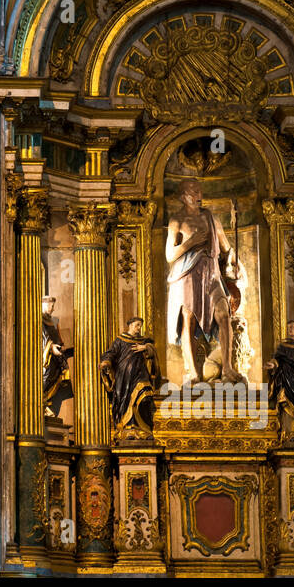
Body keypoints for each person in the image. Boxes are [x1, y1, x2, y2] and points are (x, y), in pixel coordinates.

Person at [166, 178, 242, 382]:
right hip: (188, 274)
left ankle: (227, 368)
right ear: (183, 197)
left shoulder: (210, 217)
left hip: (211, 272)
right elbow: (169, 255)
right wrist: (190, 243)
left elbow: (225, 246)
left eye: (200, 191)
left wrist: (236, 262)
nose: (199, 196)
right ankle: (194, 373)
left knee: (224, 314)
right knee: (188, 319)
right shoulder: (177, 221)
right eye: (193, 192)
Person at [100, 316, 160, 438]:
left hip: (141, 375)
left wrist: (145, 348)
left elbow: (152, 350)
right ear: (130, 325)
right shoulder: (120, 340)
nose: (139, 328)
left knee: (144, 397)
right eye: (137, 325)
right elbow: (111, 353)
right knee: (126, 401)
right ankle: (128, 429)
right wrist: (106, 362)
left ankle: (144, 429)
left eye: (140, 326)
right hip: (124, 377)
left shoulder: (143, 341)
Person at [41, 295, 73, 417]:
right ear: (44, 304)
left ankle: (46, 404)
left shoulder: (53, 320)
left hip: (56, 354)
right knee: (46, 374)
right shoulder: (38, 319)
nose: (53, 309)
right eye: (51, 305)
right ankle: (40, 403)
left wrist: (62, 345)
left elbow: (57, 337)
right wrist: (50, 347)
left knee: (60, 377)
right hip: (46, 356)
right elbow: (41, 337)